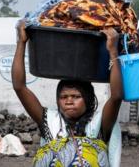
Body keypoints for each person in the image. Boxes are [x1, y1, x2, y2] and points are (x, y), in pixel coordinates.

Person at [12, 20, 123, 166]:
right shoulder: (49, 122)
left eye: (76, 97)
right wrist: (21, 42)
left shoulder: (99, 124)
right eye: (63, 97)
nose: (68, 101)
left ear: (88, 100)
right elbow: (19, 87)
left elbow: (116, 97)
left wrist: (113, 51)